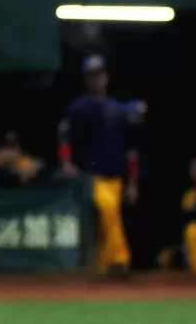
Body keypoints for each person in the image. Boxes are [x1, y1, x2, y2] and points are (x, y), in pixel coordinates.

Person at [58, 55, 144, 276]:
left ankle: (106, 268)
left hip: (116, 176)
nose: (96, 79)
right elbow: (65, 137)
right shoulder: (80, 108)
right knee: (108, 211)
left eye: (99, 74)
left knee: (109, 220)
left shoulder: (118, 109)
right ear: (86, 79)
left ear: (106, 77)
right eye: (91, 76)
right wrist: (66, 162)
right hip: (92, 175)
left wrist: (133, 183)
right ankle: (120, 259)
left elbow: (131, 150)